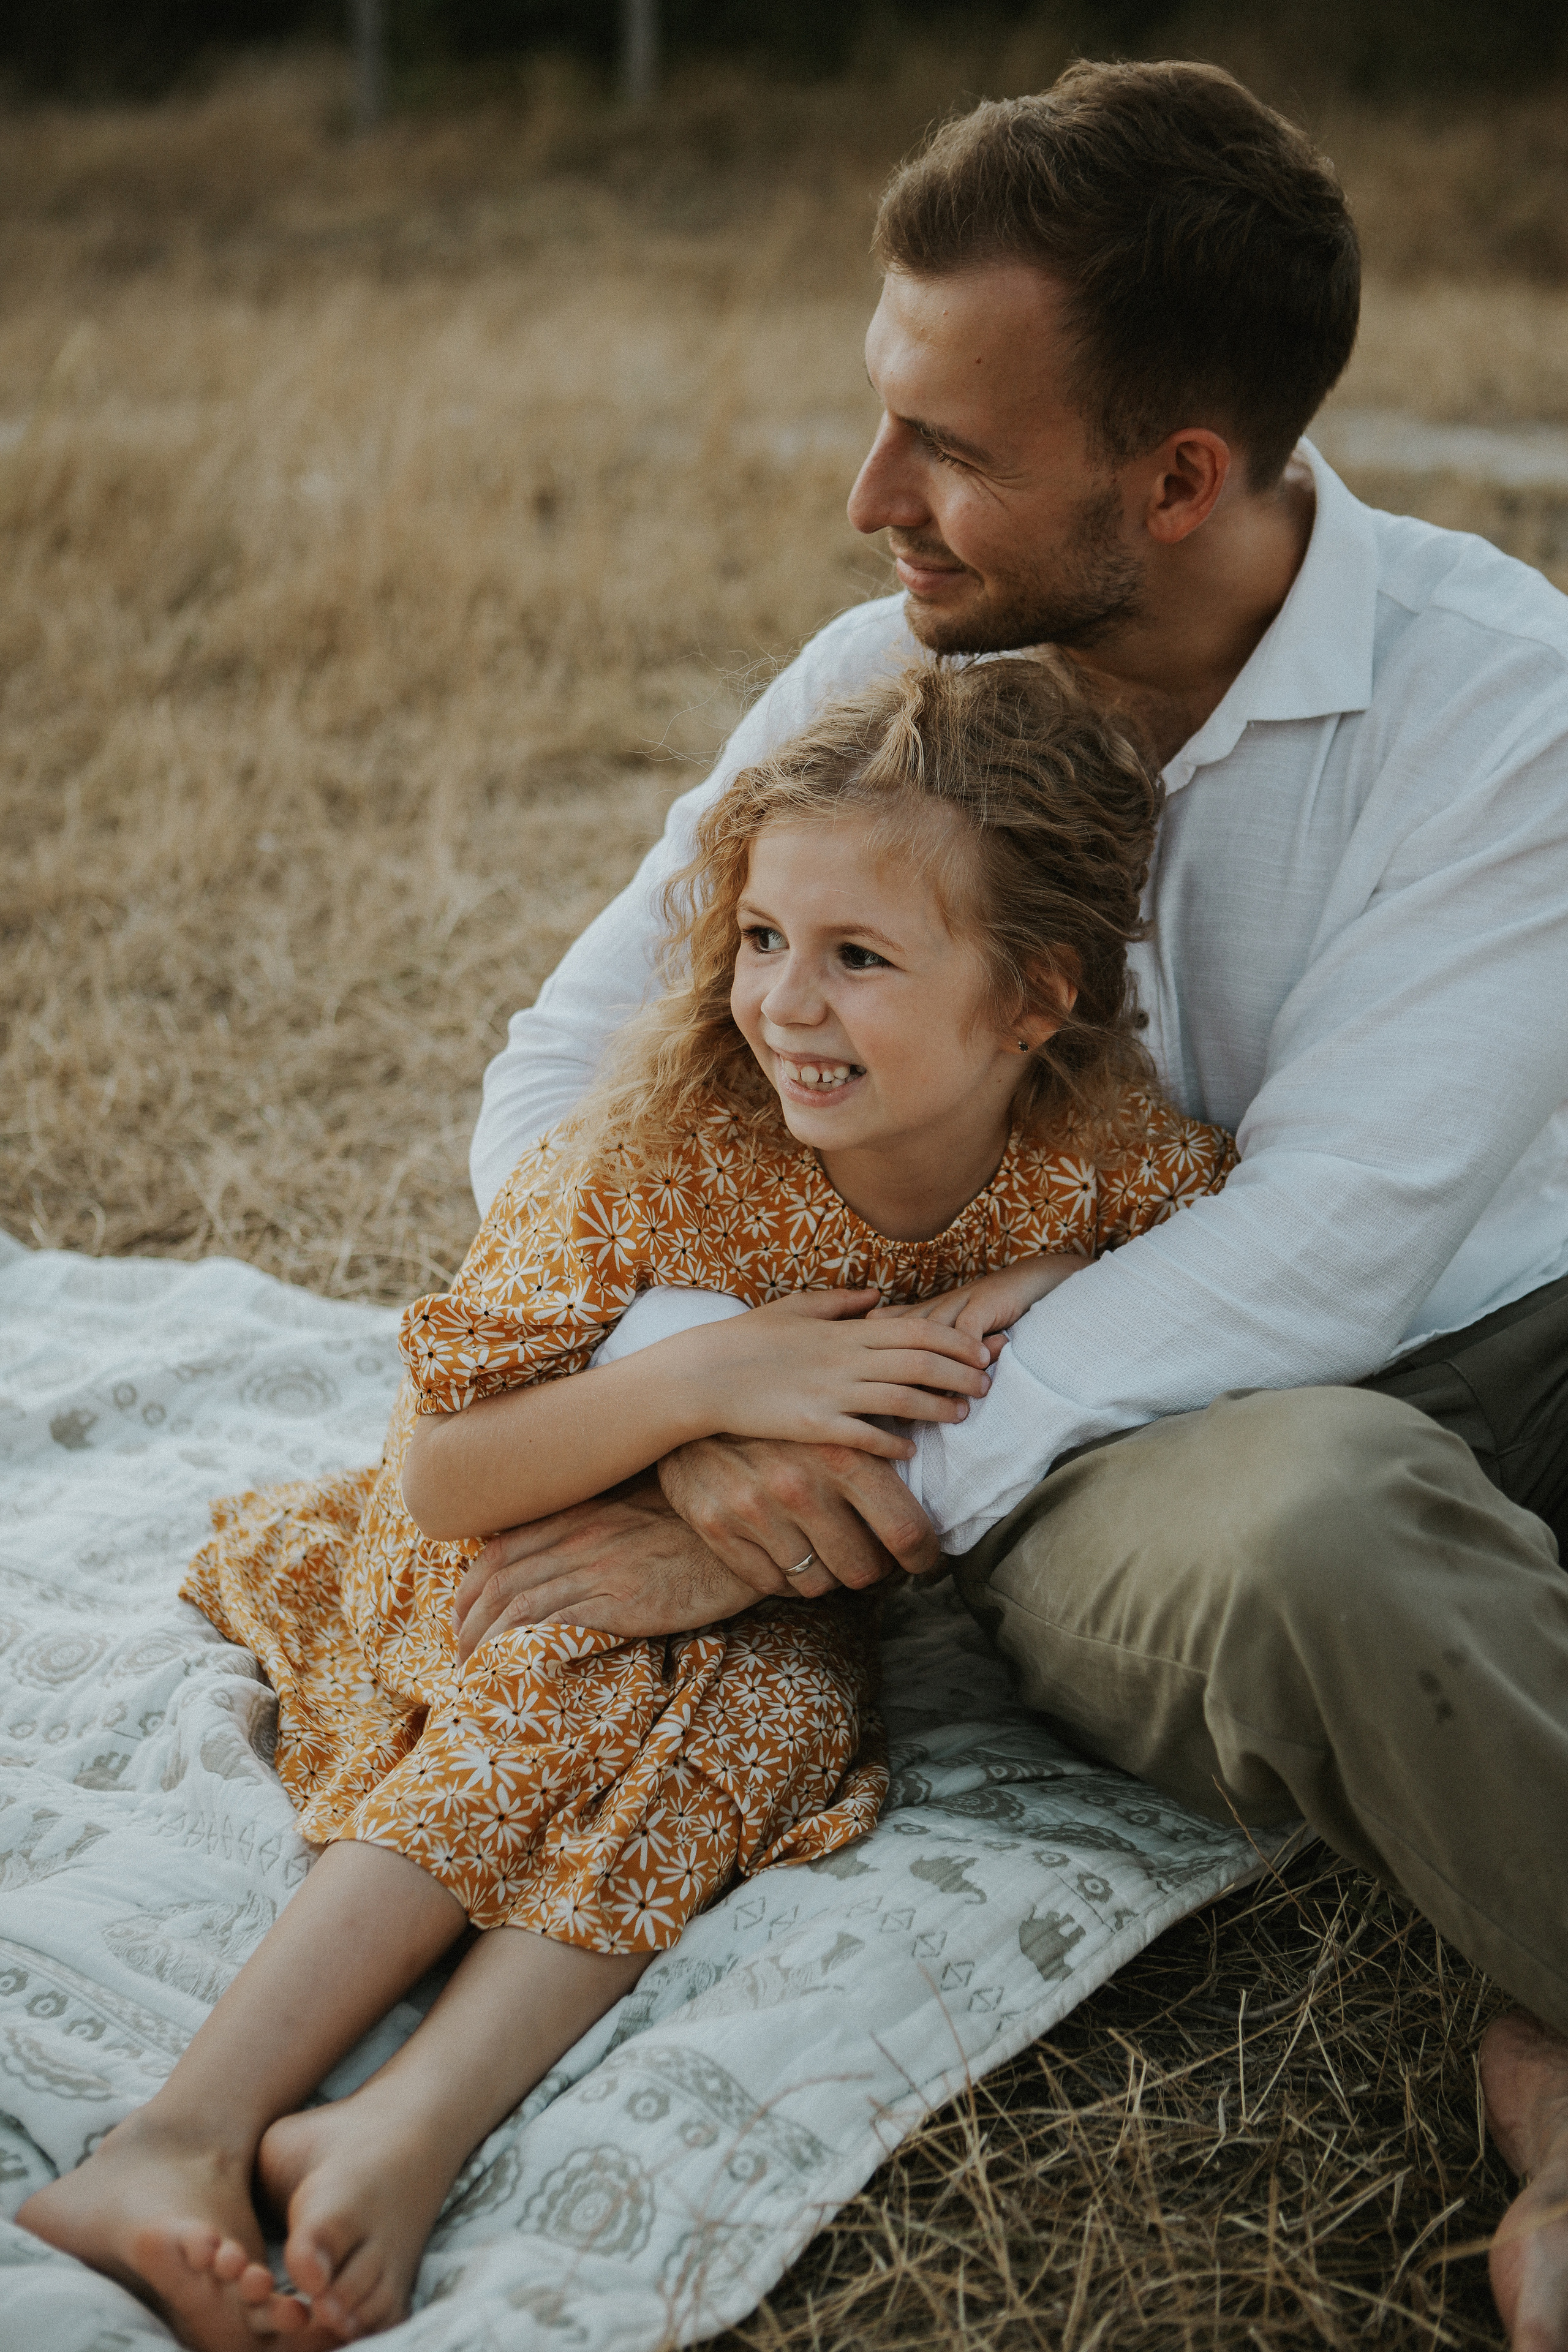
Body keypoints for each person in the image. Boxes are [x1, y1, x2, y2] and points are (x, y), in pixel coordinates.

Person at [459, 59, 1568, 2352]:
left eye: (949, 447)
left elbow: (1344, 1232)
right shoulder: (894, 678)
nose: (873, 498)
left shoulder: (1509, 705)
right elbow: (569, 1075)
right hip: (1146, 1435)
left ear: (1178, 480)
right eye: (888, 417)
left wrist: (813, 1484)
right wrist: (696, 1403)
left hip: (1502, 1322)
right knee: (1322, 1527)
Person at [18, 657, 1235, 2350]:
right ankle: (180, 2134)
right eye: (762, 941)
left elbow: (1213, 1237)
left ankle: (400, 2125)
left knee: (775, 1711)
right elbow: (449, 1468)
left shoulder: (1103, 1158)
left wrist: (1020, 1286)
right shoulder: (662, 1144)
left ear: (1034, 999)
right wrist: (705, 1383)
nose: (788, 1005)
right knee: (557, 1678)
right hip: (503, 1530)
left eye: (859, 958)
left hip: (768, 1593)